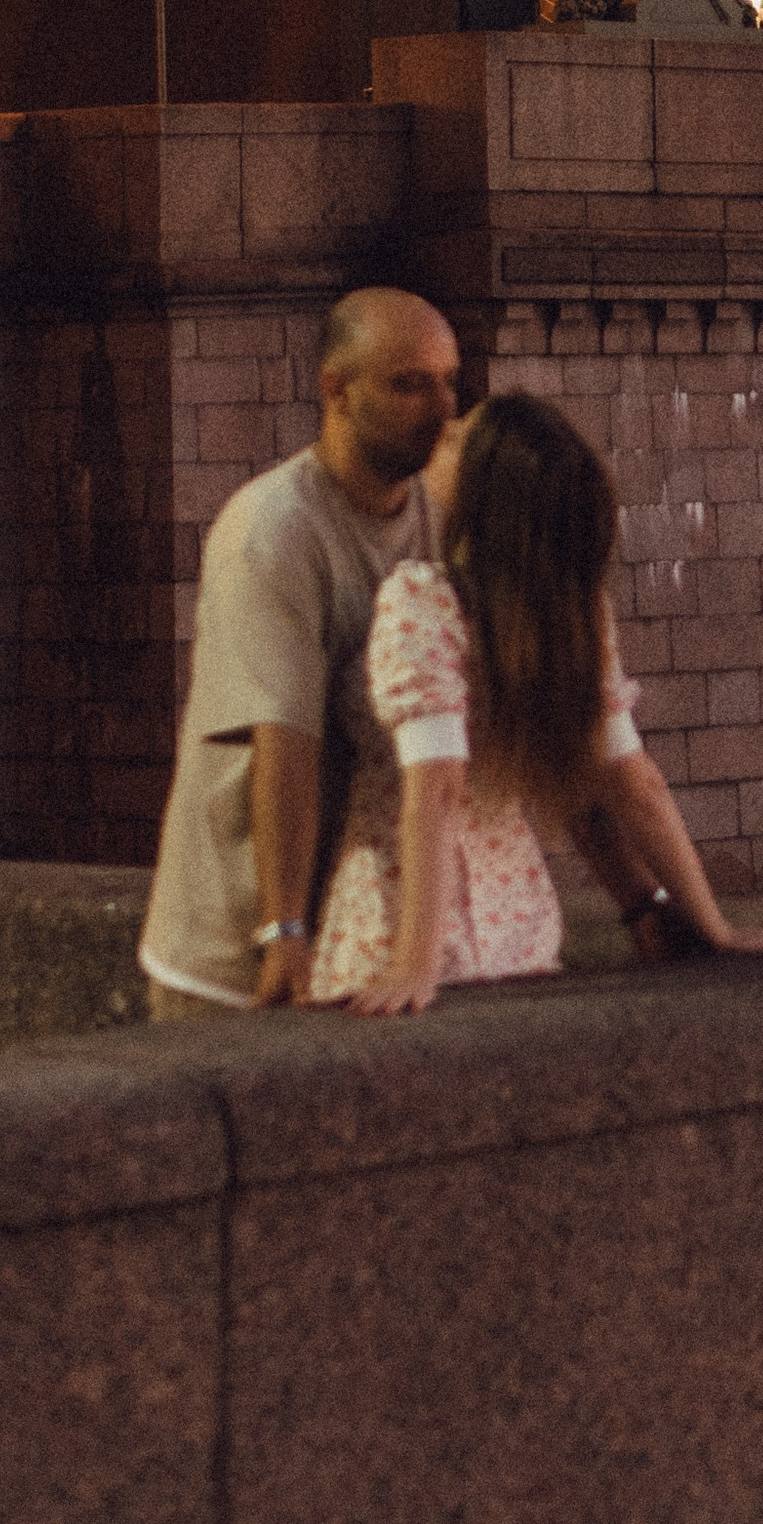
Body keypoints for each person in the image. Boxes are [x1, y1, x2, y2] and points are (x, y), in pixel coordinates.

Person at [311, 389, 763, 1016]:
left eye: (459, 438)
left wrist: (414, 962)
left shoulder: (423, 600)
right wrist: (714, 927)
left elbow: (436, 787)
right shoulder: (575, 621)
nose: (440, 435)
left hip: (397, 920)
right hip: (522, 926)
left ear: (482, 490)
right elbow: (637, 786)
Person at [140, 286, 462, 1013]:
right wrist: (283, 929)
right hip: (236, 954)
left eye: (449, 382)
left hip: (355, 940)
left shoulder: (441, 519)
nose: (442, 411)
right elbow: (284, 738)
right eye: (410, 384)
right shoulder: (274, 529)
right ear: (336, 392)